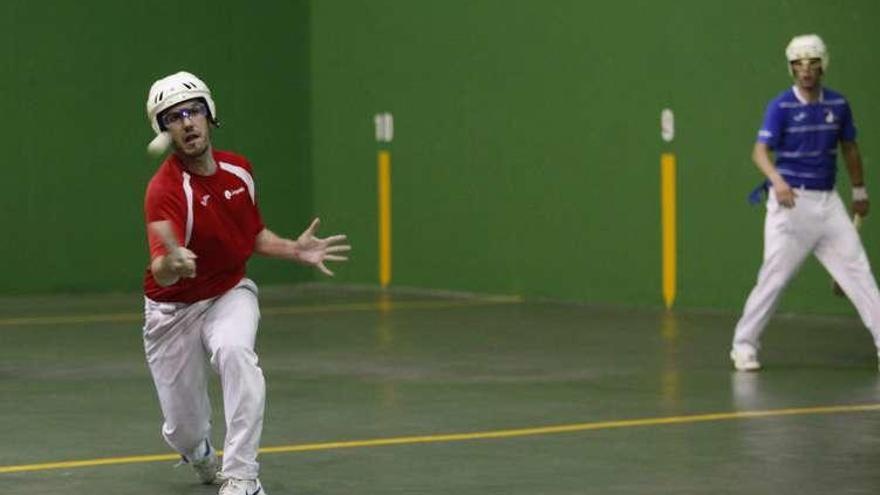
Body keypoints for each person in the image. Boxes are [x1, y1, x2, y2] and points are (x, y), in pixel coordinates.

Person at [141, 71, 350, 495]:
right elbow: (160, 266)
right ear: (164, 131)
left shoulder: (240, 170)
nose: (186, 122)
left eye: (193, 110)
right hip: (172, 311)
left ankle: (241, 476)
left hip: (227, 293)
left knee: (236, 353)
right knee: (183, 429)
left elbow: (252, 236)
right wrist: (174, 262)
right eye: (173, 117)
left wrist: (295, 249)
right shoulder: (164, 189)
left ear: (209, 114)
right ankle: (197, 451)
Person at [730, 34, 880, 372]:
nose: (806, 70)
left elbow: (850, 148)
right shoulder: (780, 106)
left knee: (859, 273)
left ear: (823, 65)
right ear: (791, 68)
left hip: (828, 205)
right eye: (799, 64)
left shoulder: (839, 105)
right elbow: (759, 152)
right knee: (775, 277)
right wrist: (778, 182)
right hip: (790, 205)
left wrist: (859, 191)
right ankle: (743, 345)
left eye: (812, 63)